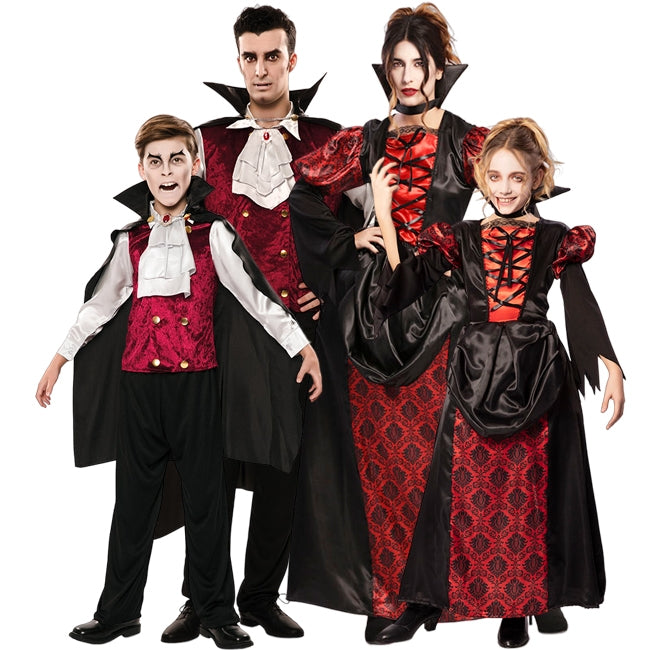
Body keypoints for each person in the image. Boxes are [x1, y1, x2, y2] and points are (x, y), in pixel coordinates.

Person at [35, 114, 322, 648]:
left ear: (194, 165)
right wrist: (59, 358)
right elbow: (99, 305)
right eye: (156, 161)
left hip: (197, 387)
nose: (167, 171)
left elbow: (257, 299)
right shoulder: (131, 240)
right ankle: (118, 612)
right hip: (139, 387)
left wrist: (302, 347)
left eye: (176, 159)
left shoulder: (213, 234)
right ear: (141, 169)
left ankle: (217, 613)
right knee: (132, 506)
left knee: (206, 504)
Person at [370, 117, 624, 646]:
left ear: (537, 179)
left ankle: (522, 605)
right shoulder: (461, 238)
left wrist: (611, 366)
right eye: (495, 176)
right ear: (482, 177)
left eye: (517, 177)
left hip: (536, 373)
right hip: (475, 368)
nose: (505, 188)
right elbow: (403, 288)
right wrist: (386, 214)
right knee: (455, 488)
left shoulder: (555, 238)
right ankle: (424, 599)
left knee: (527, 492)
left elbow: (579, 303)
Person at [288, 3, 489, 642]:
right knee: (383, 459)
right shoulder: (366, 140)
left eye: (417, 64)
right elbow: (303, 193)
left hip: (444, 313)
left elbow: (522, 188)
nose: (406, 77)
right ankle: (390, 596)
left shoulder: (467, 141)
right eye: (396, 65)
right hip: (374, 318)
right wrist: (350, 239)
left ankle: (445, 591)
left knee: (441, 457)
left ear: (438, 69)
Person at [160, 6, 343, 643]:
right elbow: (172, 224)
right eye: (250, 57)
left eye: (272, 56)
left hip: (299, 329)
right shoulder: (206, 142)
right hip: (216, 326)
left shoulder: (330, 139)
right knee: (204, 463)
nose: (261, 69)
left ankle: (260, 596)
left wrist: (330, 289)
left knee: (282, 466)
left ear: (292, 59)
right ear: (238, 61)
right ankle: (201, 598)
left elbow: (359, 231)